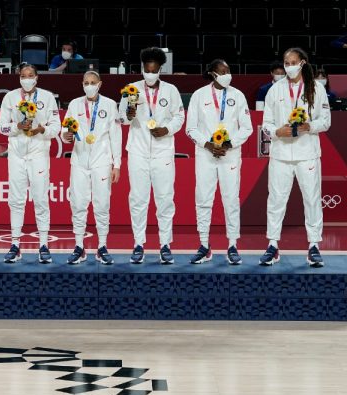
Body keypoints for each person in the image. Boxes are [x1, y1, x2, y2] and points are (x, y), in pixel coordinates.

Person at [260, 48, 331, 267]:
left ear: (302, 63)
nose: (288, 66)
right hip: (281, 153)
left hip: (307, 153)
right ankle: (272, 245)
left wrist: (309, 126)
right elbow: (266, 124)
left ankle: (314, 246)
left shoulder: (316, 88)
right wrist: (275, 132)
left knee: (311, 199)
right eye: (286, 62)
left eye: (293, 62)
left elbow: (326, 121)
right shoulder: (274, 90)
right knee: (276, 201)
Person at [118, 47, 185, 265]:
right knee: (138, 200)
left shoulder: (171, 90)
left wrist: (167, 129)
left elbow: (179, 117)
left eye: (154, 70)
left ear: (160, 70)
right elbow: (123, 119)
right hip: (137, 150)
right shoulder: (131, 89)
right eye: (147, 70)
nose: (150, 73)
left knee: (165, 199)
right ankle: (138, 244)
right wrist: (128, 112)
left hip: (163, 150)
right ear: (142, 69)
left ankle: (165, 245)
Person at [185, 59, 253, 265]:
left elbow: (247, 128)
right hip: (206, 155)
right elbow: (190, 128)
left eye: (228, 70)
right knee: (204, 200)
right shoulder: (199, 95)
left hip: (230, 155)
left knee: (231, 199)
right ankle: (204, 245)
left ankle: (232, 245)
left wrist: (229, 144)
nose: (227, 74)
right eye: (222, 71)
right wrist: (207, 144)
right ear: (213, 74)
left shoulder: (238, 95)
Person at [0, 63, 61, 264]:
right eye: (23, 75)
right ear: (19, 78)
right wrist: (17, 127)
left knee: (41, 199)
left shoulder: (47, 97)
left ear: (36, 77)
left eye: (30, 75)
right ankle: (15, 245)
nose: (27, 78)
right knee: (16, 200)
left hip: (38, 154)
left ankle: (43, 245)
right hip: (16, 155)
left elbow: (56, 126)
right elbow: (2, 128)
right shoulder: (10, 98)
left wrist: (42, 130)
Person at [60, 71, 122, 265]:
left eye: (93, 82)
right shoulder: (74, 104)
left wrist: (117, 164)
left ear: (100, 84)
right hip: (79, 160)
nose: (89, 85)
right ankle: (79, 246)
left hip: (102, 161)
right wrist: (65, 136)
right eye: (86, 82)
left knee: (102, 204)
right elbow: (65, 130)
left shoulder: (110, 105)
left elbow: (116, 136)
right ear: (82, 84)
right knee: (78, 204)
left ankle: (102, 246)